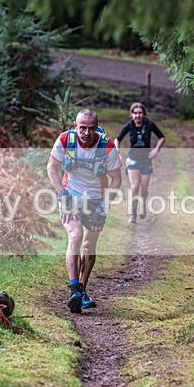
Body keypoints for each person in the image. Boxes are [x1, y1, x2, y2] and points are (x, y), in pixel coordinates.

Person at [47, 109, 122, 314]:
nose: (86, 133)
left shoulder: (107, 147)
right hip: (70, 195)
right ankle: (74, 291)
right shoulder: (65, 140)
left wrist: (105, 205)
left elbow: (117, 179)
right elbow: (52, 168)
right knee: (75, 236)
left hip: (96, 199)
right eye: (82, 128)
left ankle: (82, 290)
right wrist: (62, 194)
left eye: (90, 128)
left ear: (97, 127)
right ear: (75, 126)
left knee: (89, 245)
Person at [114, 102, 165, 223]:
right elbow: (117, 139)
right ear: (131, 114)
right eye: (135, 113)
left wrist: (156, 149)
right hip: (132, 160)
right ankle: (133, 213)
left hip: (146, 160)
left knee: (144, 190)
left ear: (144, 114)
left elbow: (161, 137)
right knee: (134, 187)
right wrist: (117, 150)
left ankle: (142, 205)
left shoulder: (149, 124)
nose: (138, 115)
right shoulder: (129, 125)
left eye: (140, 113)